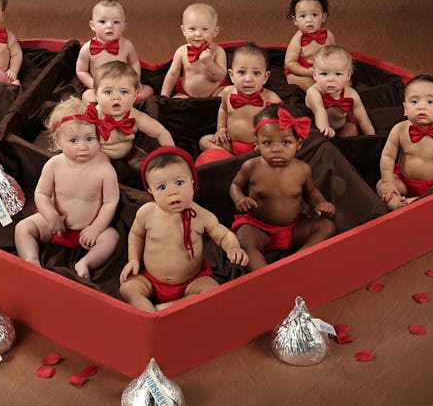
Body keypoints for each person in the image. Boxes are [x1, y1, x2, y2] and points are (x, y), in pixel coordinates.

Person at [119, 147, 249, 313]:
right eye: (161, 187)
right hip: (150, 279)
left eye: (179, 183)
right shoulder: (147, 213)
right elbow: (136, 235)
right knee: (127, 289)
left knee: (212, 291)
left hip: (191, 281)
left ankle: (165, 309)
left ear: (193, 183)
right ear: (150, 191)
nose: (172, 192)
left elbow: (223, 235)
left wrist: (232, 247)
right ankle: (151, 317)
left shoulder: (199, 214)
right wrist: (133, 260)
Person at [14, 97, 120, 279]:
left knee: (112, 237)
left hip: (87, 231)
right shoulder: (54, 165)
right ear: (58, 142)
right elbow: (41, 194)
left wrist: (96, 228)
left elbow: (111, 202)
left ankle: (86, 262)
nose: (83, 147)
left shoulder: (104, 169)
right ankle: (31, 260)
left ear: (98, 136)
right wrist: (51, 216)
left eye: (89, 138)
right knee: (23, 228)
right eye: (73, 141)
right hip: (55, 225)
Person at [229, 105, 336, 270]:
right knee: (243, 237)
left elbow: (311, 192)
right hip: (260, 229)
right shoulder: (251, 167)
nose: (276, 149)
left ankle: (297, 259)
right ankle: (265, 274)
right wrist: (240, 199)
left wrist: (320, 203)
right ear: (256, 142)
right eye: (268, 142)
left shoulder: (302, 169)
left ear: (298, 144)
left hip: (292, 229)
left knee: (327, 226)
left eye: (286, 142)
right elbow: (235, 185)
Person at [376, 75, 433, 209]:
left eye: (430, 102)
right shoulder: (399, 129)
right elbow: (388, 156)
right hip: (403, 180)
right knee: (381, 184)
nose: (421, 107)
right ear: (405, 109)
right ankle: (398, 204)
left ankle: (415, 201)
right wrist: (388, 181)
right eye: (414, 102)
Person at [85, 60, 174, 186]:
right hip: (101, 154)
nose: (116, 97)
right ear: (96, 94)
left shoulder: (135, 116)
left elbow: (160, 132)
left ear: (135, 95)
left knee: (151, 168)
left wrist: (171, 155)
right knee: (98, 171)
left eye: (124, 92)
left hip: (129, 153)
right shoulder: (93, 115)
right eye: (108, 92)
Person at [199, 43, 282, 156]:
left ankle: (234, 162)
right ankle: (230, 159)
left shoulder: (271, 98)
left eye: (256, 73)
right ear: (231, 75)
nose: (248, 79)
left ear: (265, 77)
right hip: (230, 143)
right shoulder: (227, 92)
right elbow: (223, 110)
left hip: (257, 146)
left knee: (269, 151)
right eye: (242, 72)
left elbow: (279, 125)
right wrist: (221, 128)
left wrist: (266, 141)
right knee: (204, 141)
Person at [76, 0, 153, 102]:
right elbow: (81, 71)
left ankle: (132, 102)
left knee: (148, 90)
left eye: (116, 22)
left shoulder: (127, 45)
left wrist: (135, 81)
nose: (110, 26)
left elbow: (134, 63)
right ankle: (101, 108)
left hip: (124, 87)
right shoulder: (87, 48)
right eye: (102, 21)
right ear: (92, 26)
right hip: (101, 88)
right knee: (87, 96)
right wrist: (94, 84)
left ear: (123, 26)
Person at [305, 45, 375, 138]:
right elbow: (319, 111)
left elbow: (363, 120)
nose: (330, 79)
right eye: (324, 74)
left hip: (341, 126)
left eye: (338, 74)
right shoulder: (313, 92)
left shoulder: (351, 94)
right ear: (314, 75)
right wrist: (325, 128)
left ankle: (341, 145)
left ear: (348, 76)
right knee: (310, 134)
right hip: (318, 126)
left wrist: (372, 138)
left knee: (352, 129)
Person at [160, 3, 228, 98]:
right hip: (187, 94)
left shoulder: (218, 51)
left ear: (215, 32)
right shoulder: (181, 51)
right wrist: (164, 95)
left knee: (226, 94)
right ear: (184, 31)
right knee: (176, 102)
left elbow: (220, 76)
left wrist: (209, 63)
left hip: (214, 93)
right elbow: (172, 74)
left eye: (205, 29)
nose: (198, 34)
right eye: (192, 29)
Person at [283, 0, 335, 91]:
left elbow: (334, 54)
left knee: (346, 82)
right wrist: (307, 72)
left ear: (323, 17)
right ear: (295, 20)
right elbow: (290, 62)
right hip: (301, 72)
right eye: (303, 16)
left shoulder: (328, 35)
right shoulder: (298, 38)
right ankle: (318, 101)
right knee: (310, 85)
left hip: (323, 71)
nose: (309, 20)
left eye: (314, 15)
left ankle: (338, 97)